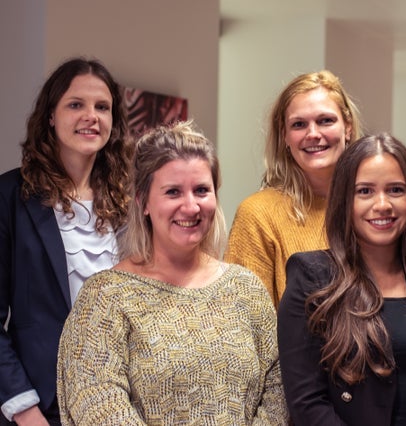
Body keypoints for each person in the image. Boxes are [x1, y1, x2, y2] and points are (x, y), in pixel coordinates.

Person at [57, 120, 289, 425]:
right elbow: (96, 401)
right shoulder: (105, 297)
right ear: (143, 202)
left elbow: (278, 389)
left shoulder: (246, 289)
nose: (191, 207)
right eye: (173, 192)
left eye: (201, 190)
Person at [278, 133, 406, 425]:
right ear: (345, 200)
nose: (382, 204)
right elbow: (307, 403)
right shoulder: (312, 278)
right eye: (365, 191)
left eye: (396, 190)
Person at [0, 57, 133, 426]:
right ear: (50, 116)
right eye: (76, 104)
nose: (91, 116)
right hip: (39, 408)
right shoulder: (10, 196)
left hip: (120, 403)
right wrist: (24, 410)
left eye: (102, 107)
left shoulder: (130, 204)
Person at [224, 70, 363, 308]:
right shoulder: (258, 214)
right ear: (285, 136)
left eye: (325, 121)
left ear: (347, 127)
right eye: (299, 124)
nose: (313, 134)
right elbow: (243, 318)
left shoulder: (372, 207)